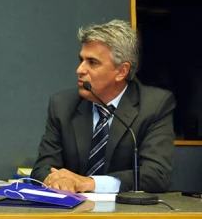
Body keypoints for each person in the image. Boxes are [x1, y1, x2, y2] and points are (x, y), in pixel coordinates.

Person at [31, 19, 175, 193]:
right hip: (70, 213)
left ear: (121, 71)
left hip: (126, 215)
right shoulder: (62, 105)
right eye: (81, 60)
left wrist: (90, 183)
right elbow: (42, 168)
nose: (80, 69)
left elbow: (156, 175)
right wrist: (57, 180)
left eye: (92, 62)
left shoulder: (154, 105)